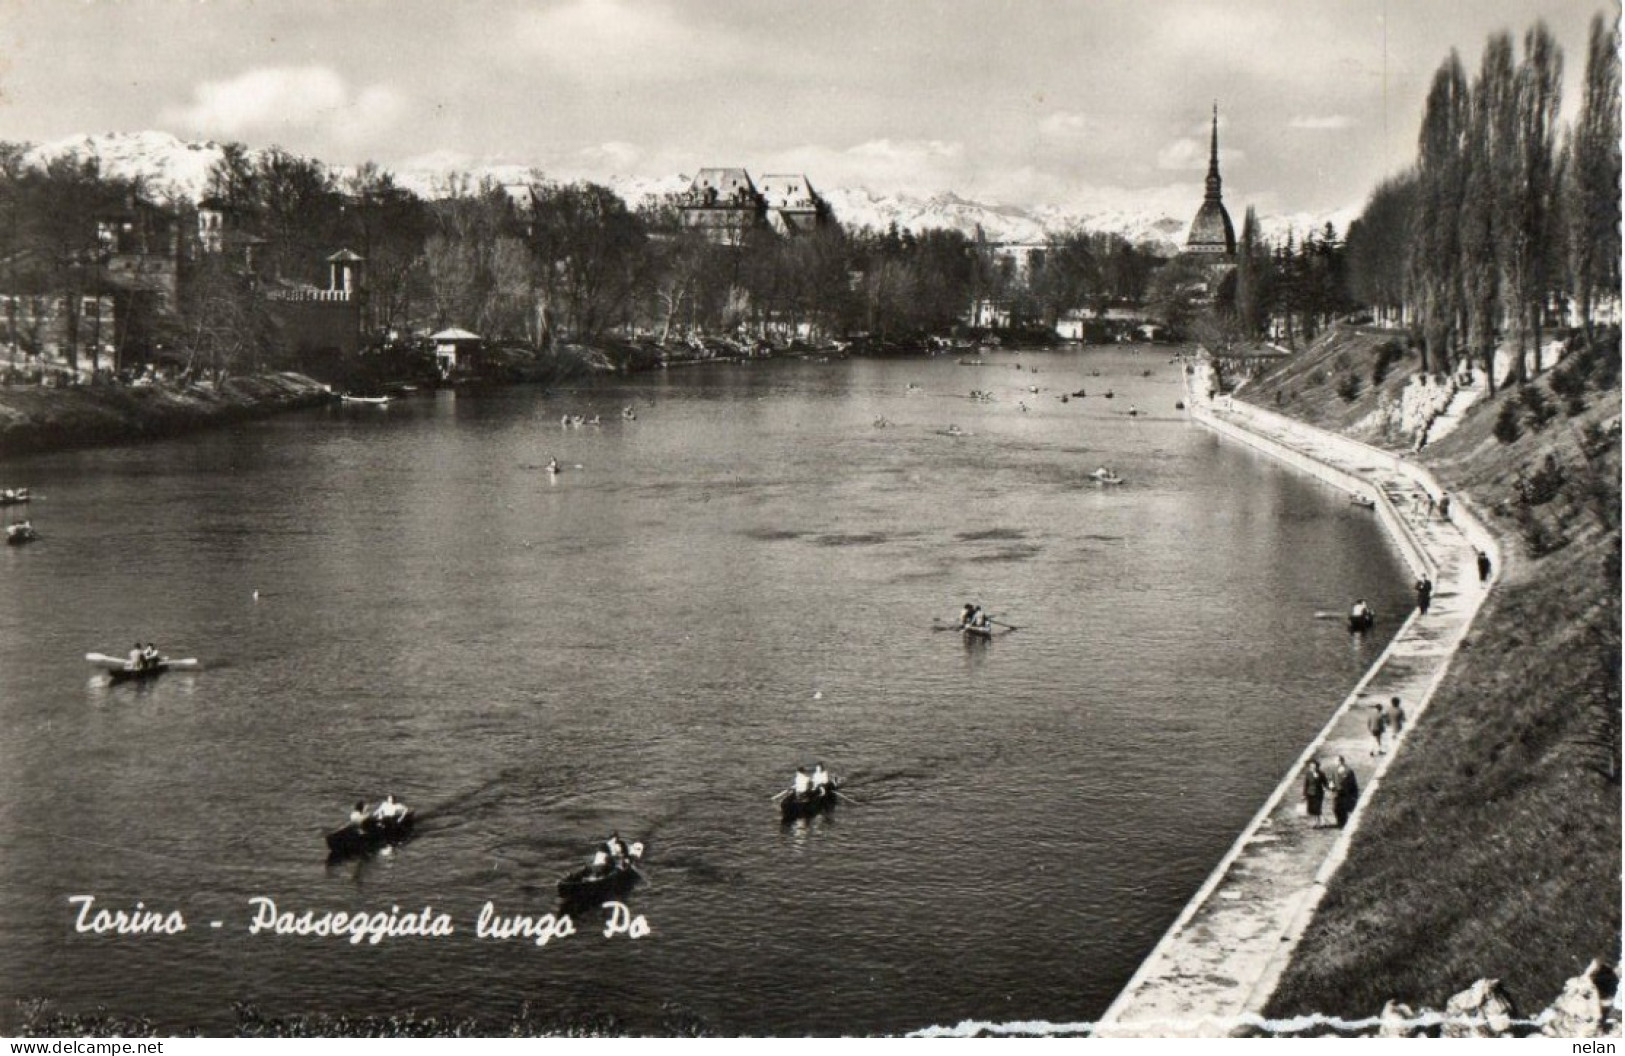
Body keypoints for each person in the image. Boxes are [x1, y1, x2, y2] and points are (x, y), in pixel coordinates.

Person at [1332, 757, 1360, 829]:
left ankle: (1343, 823)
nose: (1334, 762)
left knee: (1343, 808)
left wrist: (1353, 793)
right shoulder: (1335, 770)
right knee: (1336, 808)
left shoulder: (1349, 771)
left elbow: (1352, 782)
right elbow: (1333, 779)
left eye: (1335, 761)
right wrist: (1331, 785)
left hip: (1345, 793)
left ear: (1341, 761)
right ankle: (1340, 822)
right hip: (1337, 792)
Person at [1302, 760, 1328, 828]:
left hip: (1318, 793)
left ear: (1317, 767)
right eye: (1311, 766)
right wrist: (1304, 794)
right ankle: (1319, 822)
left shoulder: (1321, 773)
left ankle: (1317, 823)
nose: (1312, 767)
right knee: (1311, 809)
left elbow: (1325, 783)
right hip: (1310, 793)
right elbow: (1306, 784)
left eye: (1314, 766)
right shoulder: (1308, 773)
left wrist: (1325, 788)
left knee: (1317, 808)